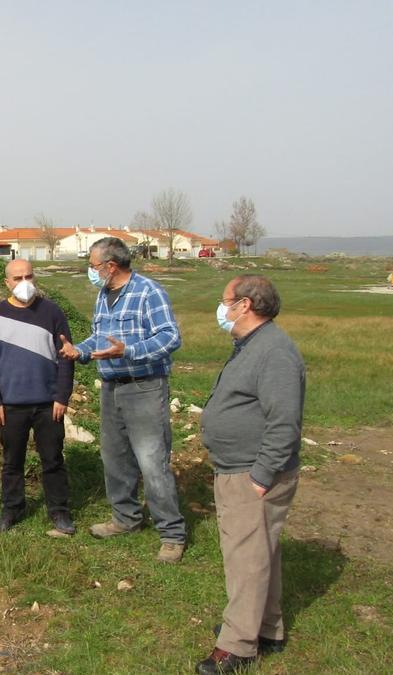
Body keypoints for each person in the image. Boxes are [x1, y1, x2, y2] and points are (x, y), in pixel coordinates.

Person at [196, 274, 305, 675]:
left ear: (244, 305)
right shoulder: (251, 345)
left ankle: (238, 645)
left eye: (225, 300)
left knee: (246, 559)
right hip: (238, 468)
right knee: (262, 553)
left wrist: (260, 475)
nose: (221, 308)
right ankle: (266, 627)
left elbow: (284, 423)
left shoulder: (274, 352)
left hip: (252, 473)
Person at [58, 236, 187, 563]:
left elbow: (170, 337)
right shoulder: (104, 295)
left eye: (92, 265)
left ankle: (171, 533)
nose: (91, 271)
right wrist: (80, 350)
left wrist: (129, 351)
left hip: (145, 387)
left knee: (152, 461)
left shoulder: (148, 292)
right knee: (114, 457)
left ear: (110, 266)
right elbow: (101, 338)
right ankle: (126, 519)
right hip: (111, 386)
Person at [0, 258, 76, 536]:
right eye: (18, 278)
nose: (24, 283)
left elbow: (66, 357)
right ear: (7, 283)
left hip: (48, 404)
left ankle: (59, 511)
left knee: (53, 459)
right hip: (10, 405)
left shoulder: (53, 312)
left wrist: (62, 396)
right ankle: (12, 509)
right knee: (12, 462)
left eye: (29, 276)